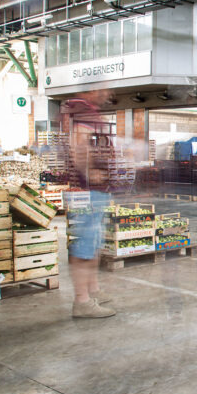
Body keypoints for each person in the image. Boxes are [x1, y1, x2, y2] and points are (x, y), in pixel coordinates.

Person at [67, 90, 116, 319]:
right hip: (87, 191)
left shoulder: (89, 112)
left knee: (93, 240)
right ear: (91, 91)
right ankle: (82, 301)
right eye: (104, 89)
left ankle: (92, 289)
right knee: (85, 244)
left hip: (95, 190)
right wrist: (90, 171)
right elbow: (78, 145)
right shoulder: (83, 111)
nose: (108, 93)